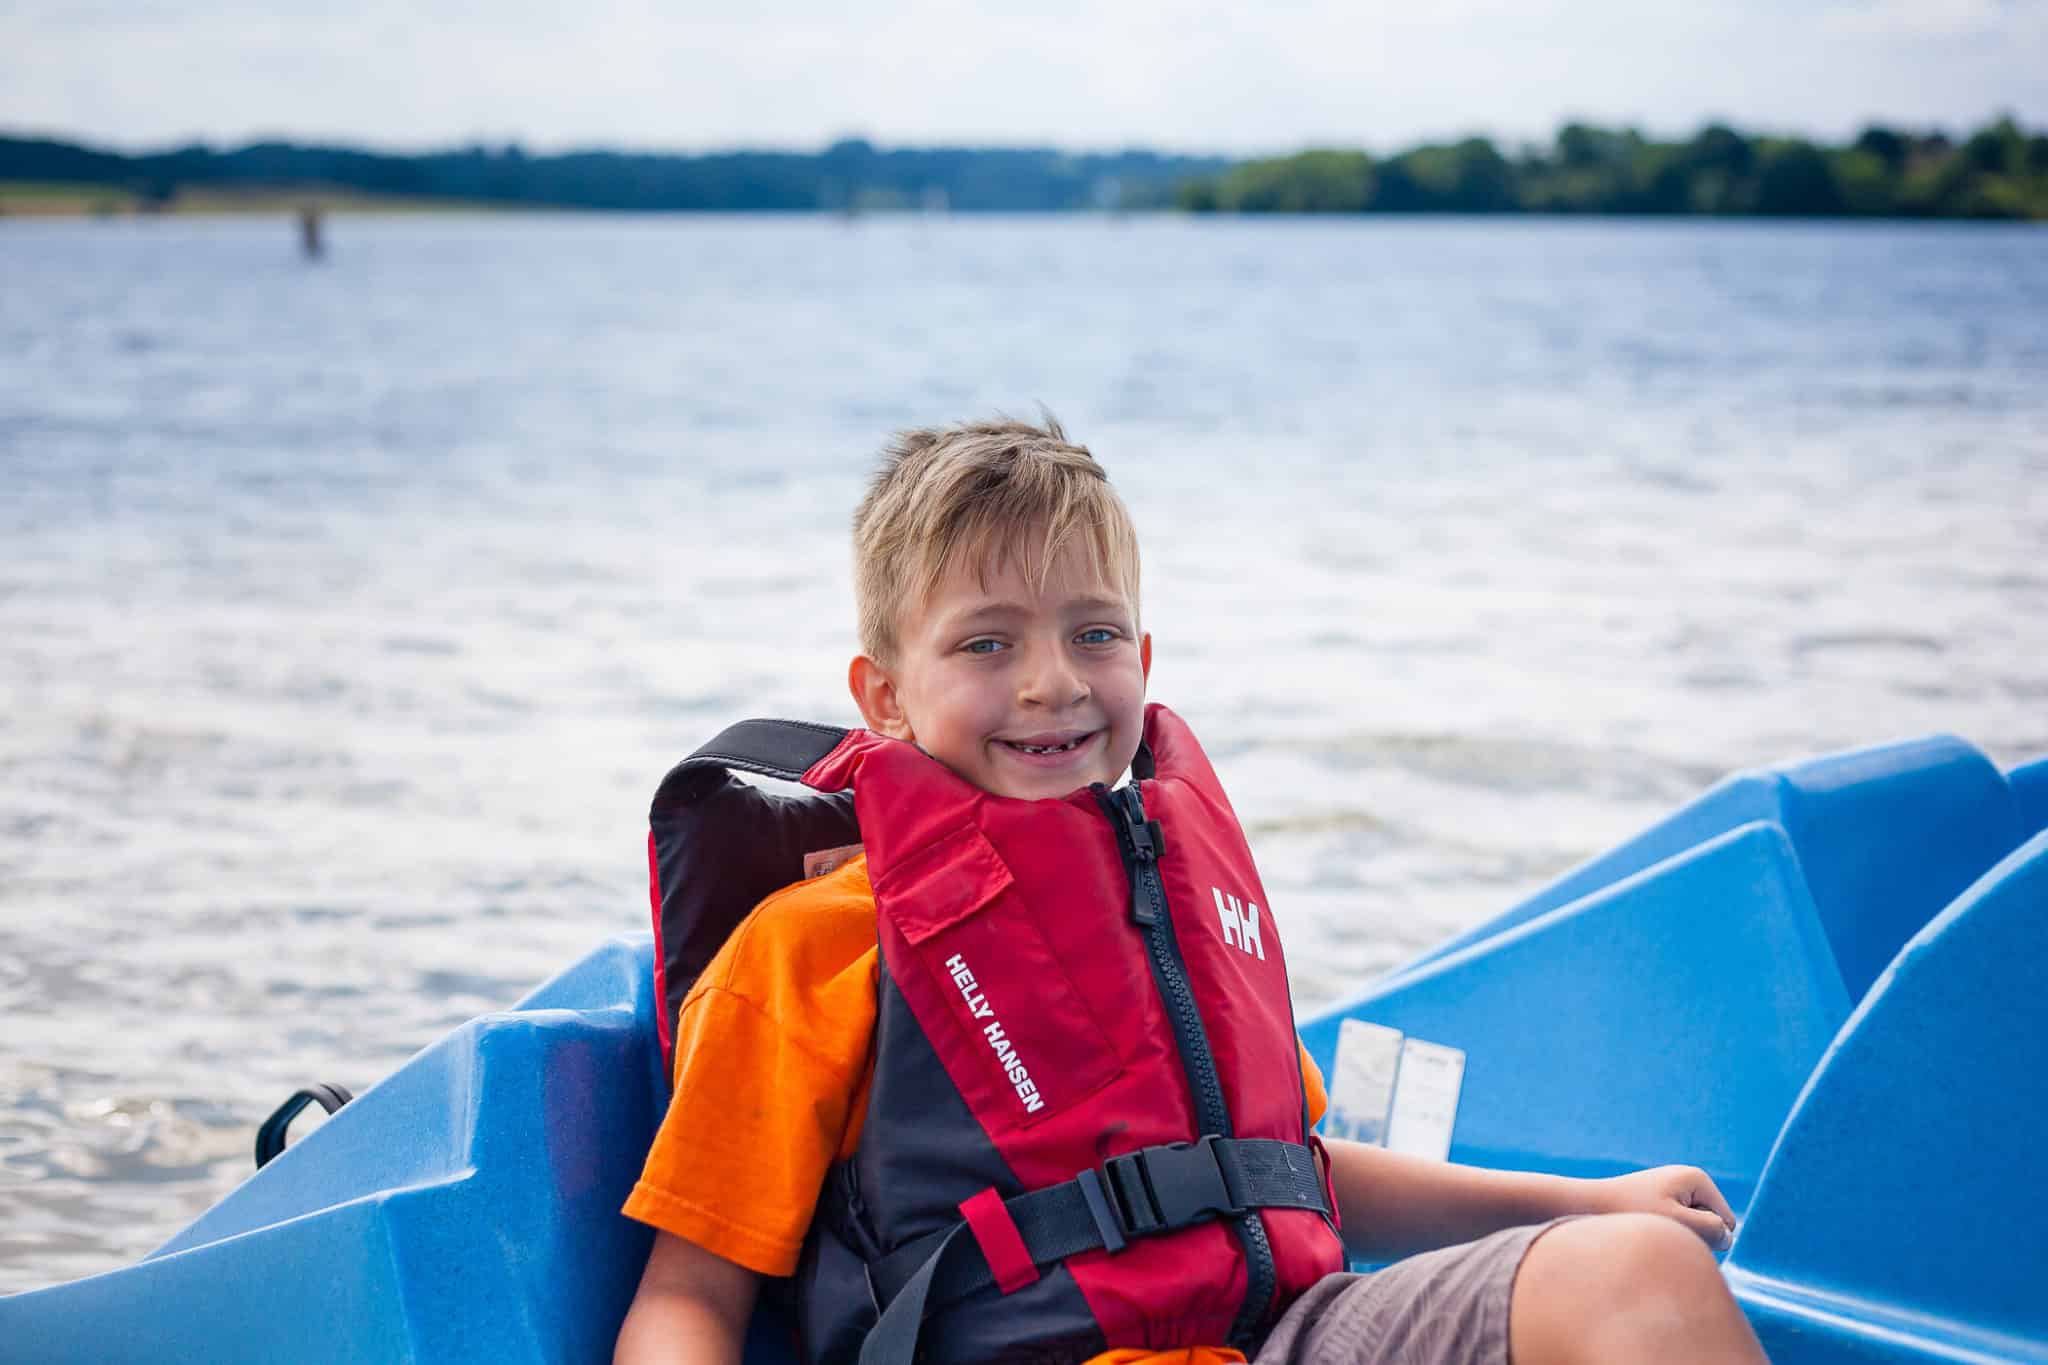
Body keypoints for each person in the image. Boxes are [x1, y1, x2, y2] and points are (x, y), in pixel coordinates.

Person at [614, 417, 1768, 1365]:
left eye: (1093, 631)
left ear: (1144, 661)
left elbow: (1288, 1172)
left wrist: (1586, 1203)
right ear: (884, 698)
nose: (1052, 682)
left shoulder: (1163, 897)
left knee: (1637, 1278)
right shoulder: (815, 947)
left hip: (1277, 1341)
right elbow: (692, 1295)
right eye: (985, 645)